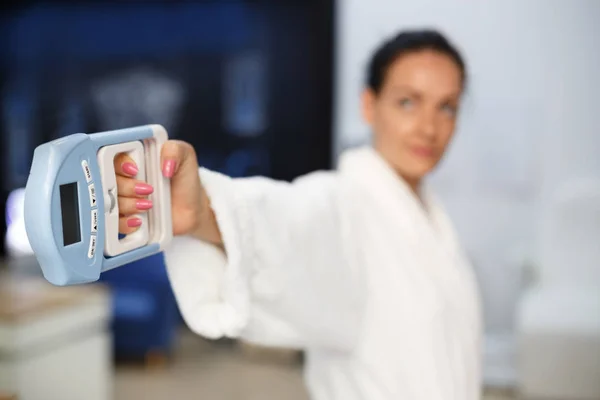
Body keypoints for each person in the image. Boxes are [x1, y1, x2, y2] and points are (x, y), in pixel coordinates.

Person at [114, 29, 482, 400]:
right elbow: (289, 221)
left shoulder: (432, 221)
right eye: (408, 102)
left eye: (446, 107)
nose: (429, 128)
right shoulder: (346, 207)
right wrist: (207, 212)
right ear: (370, 105)